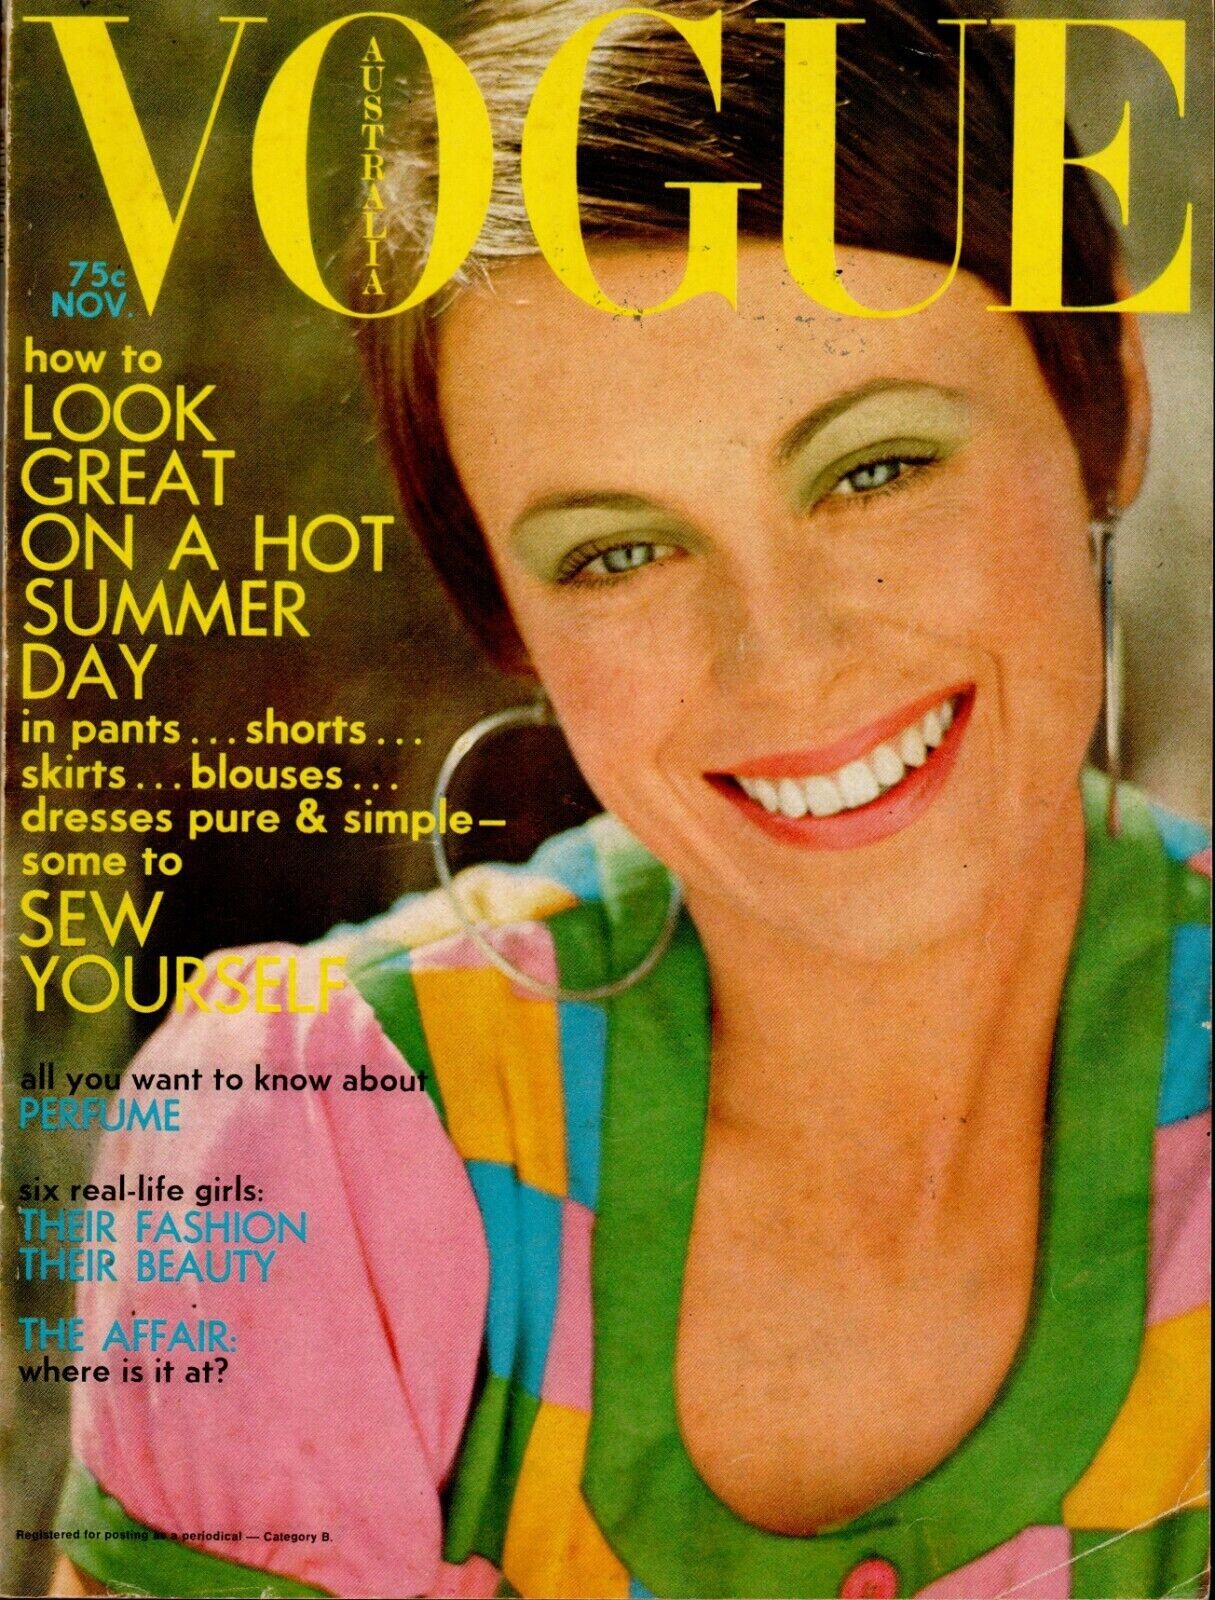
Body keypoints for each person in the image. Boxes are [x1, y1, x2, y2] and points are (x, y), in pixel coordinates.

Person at [54, 1, 1209, 1596]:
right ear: (508, 619)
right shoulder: (310, 1138)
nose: (784, 659)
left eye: (876, 468)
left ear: (1108, 410)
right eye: (618, 551)